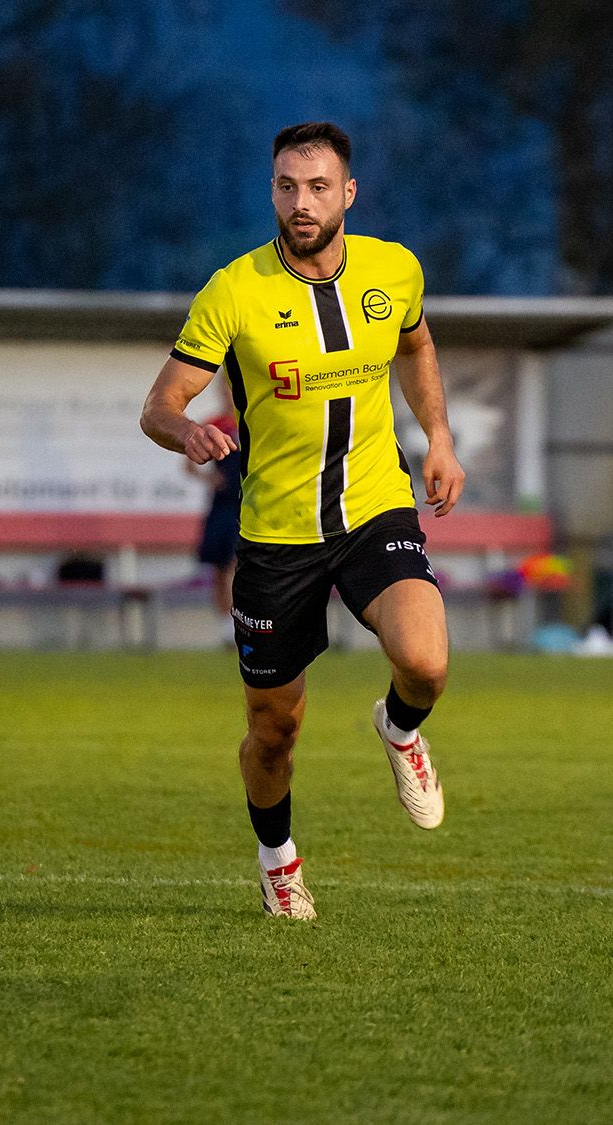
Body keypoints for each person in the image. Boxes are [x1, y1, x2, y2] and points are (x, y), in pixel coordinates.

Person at [140, 122, 465, 920]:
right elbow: (160, 404)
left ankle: (397, 726)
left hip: (373, 509)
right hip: (276, 538)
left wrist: (440, 439)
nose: (301, 201)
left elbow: (416, 347)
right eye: (287, 185)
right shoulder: (234, 290)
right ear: (273, 191)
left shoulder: (394, 269)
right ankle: (278, 860)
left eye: (318, 186)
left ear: (347, 192)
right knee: (274, 730)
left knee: (425, 662)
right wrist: (189, 433)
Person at [184, 379, 242, 631]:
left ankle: (243, 624)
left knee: (237, 564)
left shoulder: (256, 421)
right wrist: (210, 478)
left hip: (249, 504)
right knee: (220, 567)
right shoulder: (216, 424)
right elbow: (189, 464)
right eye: (225, 389)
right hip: (223, 504)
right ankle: (225, 629)